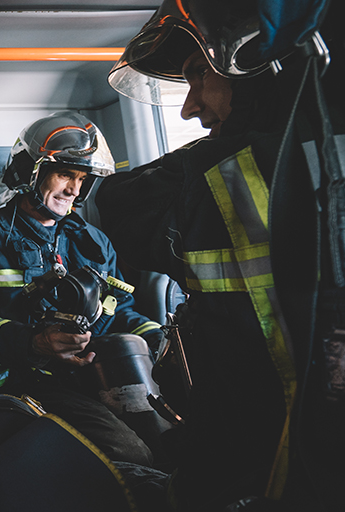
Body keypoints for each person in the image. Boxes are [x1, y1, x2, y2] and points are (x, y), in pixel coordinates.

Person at [97, 0, 343, 509]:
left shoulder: (226, 174)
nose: (188, 108)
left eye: (196, 78)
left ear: (254, 66)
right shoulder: (312, 158)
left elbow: (122, 203)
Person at [0, 111, 166, 468]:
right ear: (28, 171)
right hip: (17, 382)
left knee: (169, 438)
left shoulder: (93, 242)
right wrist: (34, 343)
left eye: (82, 179)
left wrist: (157, 339)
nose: (74, 190)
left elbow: (117, 310)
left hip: (95, 373)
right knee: (130, 455)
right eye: (65, 174)